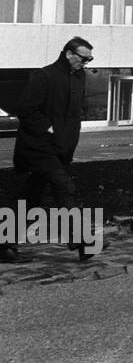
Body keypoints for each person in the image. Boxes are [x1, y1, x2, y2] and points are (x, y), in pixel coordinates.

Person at [0, 37, 100, 263]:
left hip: (61, 149)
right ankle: (84, 242)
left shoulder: (79, 77)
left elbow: (74, 114)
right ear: (68, 54)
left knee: (32, 198)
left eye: (89, 59)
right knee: (65, 188)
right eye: (83, 58)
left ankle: (3, 244)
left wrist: (68, 140)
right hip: (38, 147)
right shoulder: (43, 76)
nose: (85, 63)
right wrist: (50, 128)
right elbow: (25, 110)